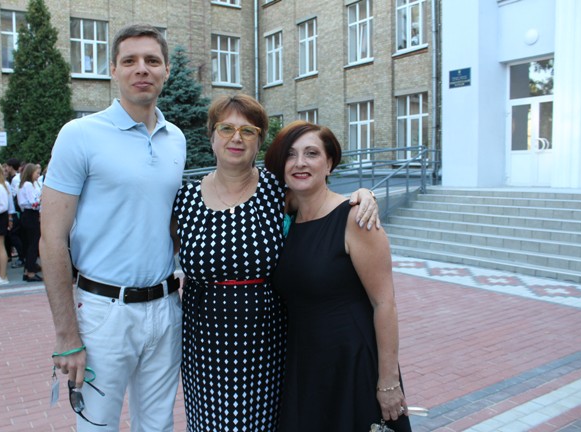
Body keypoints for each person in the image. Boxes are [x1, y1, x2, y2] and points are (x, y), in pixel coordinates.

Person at [173, 95, 381, 431]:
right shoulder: (185, 199)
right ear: (211, 136)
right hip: (204, 343)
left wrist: (363, 196)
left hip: (267, 342)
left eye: (248, 131)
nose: (236, 138)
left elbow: (324, 202)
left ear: (259, 142)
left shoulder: (277, 192)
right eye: (226, 128)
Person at [40, 24, 185, 431]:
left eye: (152, 60)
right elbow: (51, 239)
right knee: (97, 426)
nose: (142, 69)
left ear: (166, 70)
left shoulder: (175, 139)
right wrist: (66, 334)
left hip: (165, 309)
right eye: (130, 61)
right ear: (114, 70)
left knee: (157, 426)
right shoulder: (80, 135)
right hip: (103, 313)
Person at [265, 121, 411, 432]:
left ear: (330, 163)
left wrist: (388, 382)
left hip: (351, 364)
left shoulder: (356, 218)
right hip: (304, 364)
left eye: (312, 153)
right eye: (291, 154)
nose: (300, 163)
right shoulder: (286, 214)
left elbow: (384, 304)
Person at [17, 163, 43, 282]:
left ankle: (27, 270)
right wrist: (41, 198)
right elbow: (34, 203)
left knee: (30, 243)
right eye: (37, 173)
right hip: (31, 214)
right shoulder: (27, 185)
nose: (38, 175)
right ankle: (31, 272)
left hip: (28, 214)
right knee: (33, 244)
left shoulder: (27, 184)